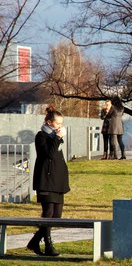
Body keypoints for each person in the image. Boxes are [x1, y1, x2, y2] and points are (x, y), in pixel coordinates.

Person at [27, 106, 69, 256]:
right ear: (49, 122)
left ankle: (34, 242)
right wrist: (58, 138)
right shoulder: (42, 136)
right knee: (48, 213)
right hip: (46, 180)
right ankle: (49, 245)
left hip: (57, 182)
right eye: (57, 124)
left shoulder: (54, 137)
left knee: (57, 216)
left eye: (61, 124)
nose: (60, 127)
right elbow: (49, 155)